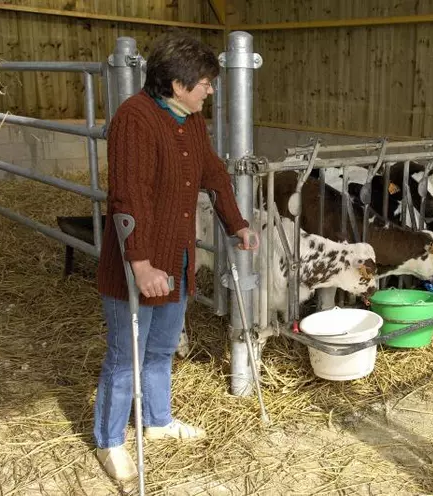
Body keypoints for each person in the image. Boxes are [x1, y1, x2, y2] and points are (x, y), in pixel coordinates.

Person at [93, 33, 259, 482]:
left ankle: (159, 421)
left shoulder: (190, 120)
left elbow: (213, 172)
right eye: (204, 82)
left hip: (178, 258)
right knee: (125, 355)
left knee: (163, 348)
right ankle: (109, 441)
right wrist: (141, 263)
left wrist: (236, 223)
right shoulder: (135, 119)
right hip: (139, 264)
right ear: (178, 83)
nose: (210, 90)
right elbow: (129, 195)